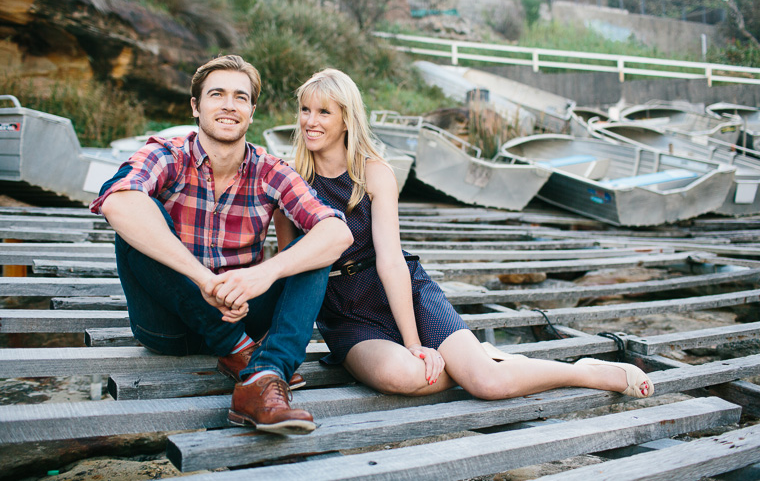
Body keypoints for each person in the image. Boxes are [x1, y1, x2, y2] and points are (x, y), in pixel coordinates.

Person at [275, 68, 654, 402]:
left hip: (402, 291)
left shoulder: (373, 173)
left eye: (324, 111)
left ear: (346, 119)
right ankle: (478, 358)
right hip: (346, 313)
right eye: (305, 110)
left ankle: (581, 371)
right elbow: (289, 263)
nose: (311, 121)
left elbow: (391, 262)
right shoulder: (289, 180)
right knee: (402, 375)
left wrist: (414, 344)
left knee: (487, 385)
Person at [90, 55, 353, 435]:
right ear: (196, 107)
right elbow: (116, 199)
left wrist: (263, 274)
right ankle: (234, 348)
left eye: (240, 97)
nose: (229, 105)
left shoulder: (271, 170)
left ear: (251, 111)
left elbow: (338, 233)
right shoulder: (168, 154)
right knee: (137, 213)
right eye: (217, 94)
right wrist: (203, 280)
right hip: (167, 325)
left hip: (243, 311)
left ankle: (265, 374)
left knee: (315, 246)